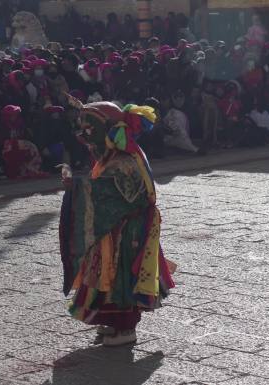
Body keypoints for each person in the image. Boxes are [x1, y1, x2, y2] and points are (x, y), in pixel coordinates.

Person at [59, 99, 175, 347]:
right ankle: (111, 322)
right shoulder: (116, 155)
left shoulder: (124, 160)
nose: (84, 136)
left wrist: (75, 186)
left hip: (127, 231)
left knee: (121, 276)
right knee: (105, 276)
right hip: (116, 229)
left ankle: (125, 328)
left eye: (90, 131)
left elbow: (108, 192)